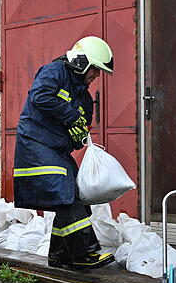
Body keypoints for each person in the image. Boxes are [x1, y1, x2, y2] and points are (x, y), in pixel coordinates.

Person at [13, 36, 116, 270]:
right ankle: (85, 252)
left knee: (74, 196)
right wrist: (71, 117)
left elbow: (81, 130)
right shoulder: (54, 72)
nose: (96, 76)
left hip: (57, 148)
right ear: (82, 62)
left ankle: (61, 255)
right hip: (35, 142)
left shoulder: (85, 99)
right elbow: (40, 96)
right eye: (95, 70)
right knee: (64, 190)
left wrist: (79, 135)